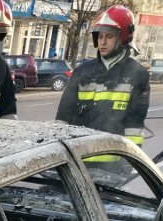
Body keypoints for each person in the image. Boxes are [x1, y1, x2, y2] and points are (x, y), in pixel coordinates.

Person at [55, 6, 149, 153]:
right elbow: (62, 118)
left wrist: (132, 160)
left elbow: (134, 125)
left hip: (113, 163)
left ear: (123, 37)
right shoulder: (81, 72)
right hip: (78, 159)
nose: (102, 43)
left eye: (109, 36)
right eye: (100, 36)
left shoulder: (138, 74)